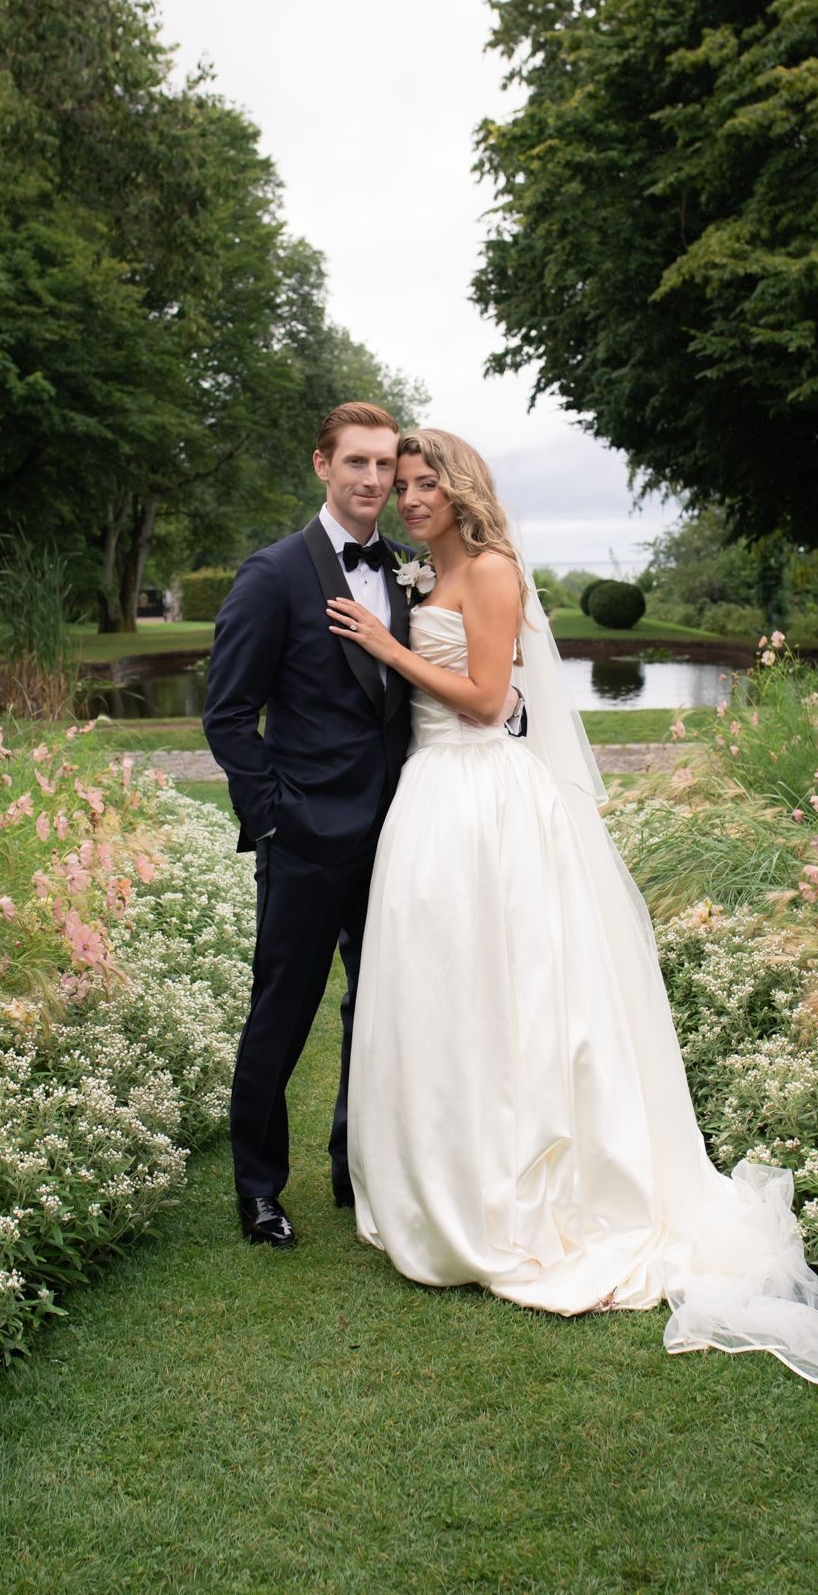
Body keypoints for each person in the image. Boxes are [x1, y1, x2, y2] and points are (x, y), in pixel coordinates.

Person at [327, 428, 818, 1404]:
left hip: (482, 796)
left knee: (518, 997)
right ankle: (441, 1181)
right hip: (428, 800)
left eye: (426, 483)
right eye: (402, 484)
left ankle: (524, 1195)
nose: (410, 497)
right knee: (439, 996)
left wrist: (386, 647)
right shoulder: (423, 576)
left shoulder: (492, 571)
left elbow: (490, 700)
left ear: (461, 490)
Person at [204, 403, 519, 1249]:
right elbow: (228, 715)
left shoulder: (414, 570)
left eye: (388, 466)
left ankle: (357, 1162)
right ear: (322, 466)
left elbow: (457, 681)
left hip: (406, 833)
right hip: (305, 838)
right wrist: (273, 817)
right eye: (360, 465)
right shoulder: (272, 576)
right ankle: (260, 1189)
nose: (377, 481)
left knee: (380, 1009)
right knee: (283, 1011)